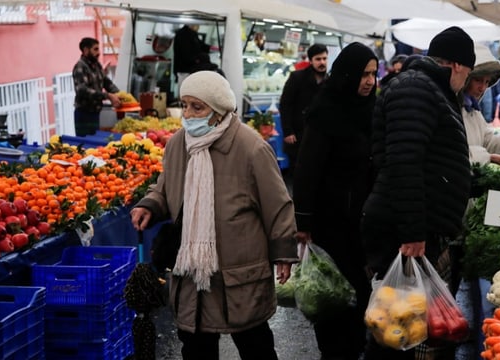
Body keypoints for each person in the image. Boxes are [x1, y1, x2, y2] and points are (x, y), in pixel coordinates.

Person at [130, 71, 298, 360]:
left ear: (219, 109)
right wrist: (151, 204)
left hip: (238, 270)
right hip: (193, 271)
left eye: (198, 107)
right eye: (184, 105)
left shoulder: (251, 147)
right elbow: (166, 187)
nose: (188, 114)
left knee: (254, 345)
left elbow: (278, 204)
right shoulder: (178, 145)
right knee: (195, 348)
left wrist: (283, 252)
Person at [361, 26, 476, 360]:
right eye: (468, 73)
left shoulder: (427, 89)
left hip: (416, 223)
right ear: (457, 65)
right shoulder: (417, 89)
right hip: (404, 229)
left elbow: (430, 159)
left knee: (404, 327)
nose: (466, 82)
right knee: (393, 330)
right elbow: (403, 161)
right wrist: (413, 233)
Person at [292, 42, 377, 360]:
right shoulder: (325, 112)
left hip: (361, 223)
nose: (369, 81)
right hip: (329, 223)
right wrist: (303, 222)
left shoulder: (372, 110)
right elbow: (306, 170)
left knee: (358, 296)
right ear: (347, 74)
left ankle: (351, 349)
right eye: (363, 74)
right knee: (331, 295)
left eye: (373, 73)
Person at [279, 43, 328, 176]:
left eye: (324, 58)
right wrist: (288, 131)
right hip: (297, 135)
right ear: (311, 60)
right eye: (318, 59)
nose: (322, 62)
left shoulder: (329, 82)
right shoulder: (297, 78)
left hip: (319, 137)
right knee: (298, 174)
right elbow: (285, 104)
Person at [72, 37, 121, 136]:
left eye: (98, 49)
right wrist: (107, 96)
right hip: (84, 115)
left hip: (95, 113)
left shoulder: (97, 65)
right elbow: (83, 90)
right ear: (86, 50)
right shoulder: (80, 67)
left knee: (95, 144)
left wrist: (119, 94)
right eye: (95, 49)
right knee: (86, 145)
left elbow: (106, 82)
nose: (98, 52)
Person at [174, 24, 210, 90]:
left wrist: (211, 48)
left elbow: (201, 45)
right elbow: (186, 53)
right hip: (185, 70)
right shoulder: (183, 34)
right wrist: (196, 59)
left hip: (190, 70)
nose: (198, 28)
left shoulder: (192, 34)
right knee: (185, 91)